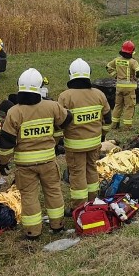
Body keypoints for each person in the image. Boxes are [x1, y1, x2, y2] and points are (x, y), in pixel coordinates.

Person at [0, 68, 71, 239]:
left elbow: (6, 143)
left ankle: (33, 232)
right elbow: (67, 120)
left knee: (29, 197)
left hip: (25, 165)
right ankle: (57, 225)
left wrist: (2, 161)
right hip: (48, 161)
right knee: (53, 191)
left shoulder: (14, 112)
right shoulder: (52, 106)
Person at [58, 58, 112, 207]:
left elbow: (59, 122)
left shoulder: (65, 97)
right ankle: (93, 201)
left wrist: (57, 140)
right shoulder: (99, 94)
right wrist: (103, 135)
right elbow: (108, 118)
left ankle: (80, 206)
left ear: (71, 74)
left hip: (75, 146)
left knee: (77, 174)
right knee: (92, 169)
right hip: (94, 142)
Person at [106, 40, 139, 129]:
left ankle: (114, 124)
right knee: (129, 106)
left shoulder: (117, 60)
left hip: (119, 87)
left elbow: (108, 67)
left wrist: (115, 75)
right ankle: (127, 126)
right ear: (132, 52)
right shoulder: (133, 62)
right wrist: (136, 77)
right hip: (129, 89)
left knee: (117, 105)